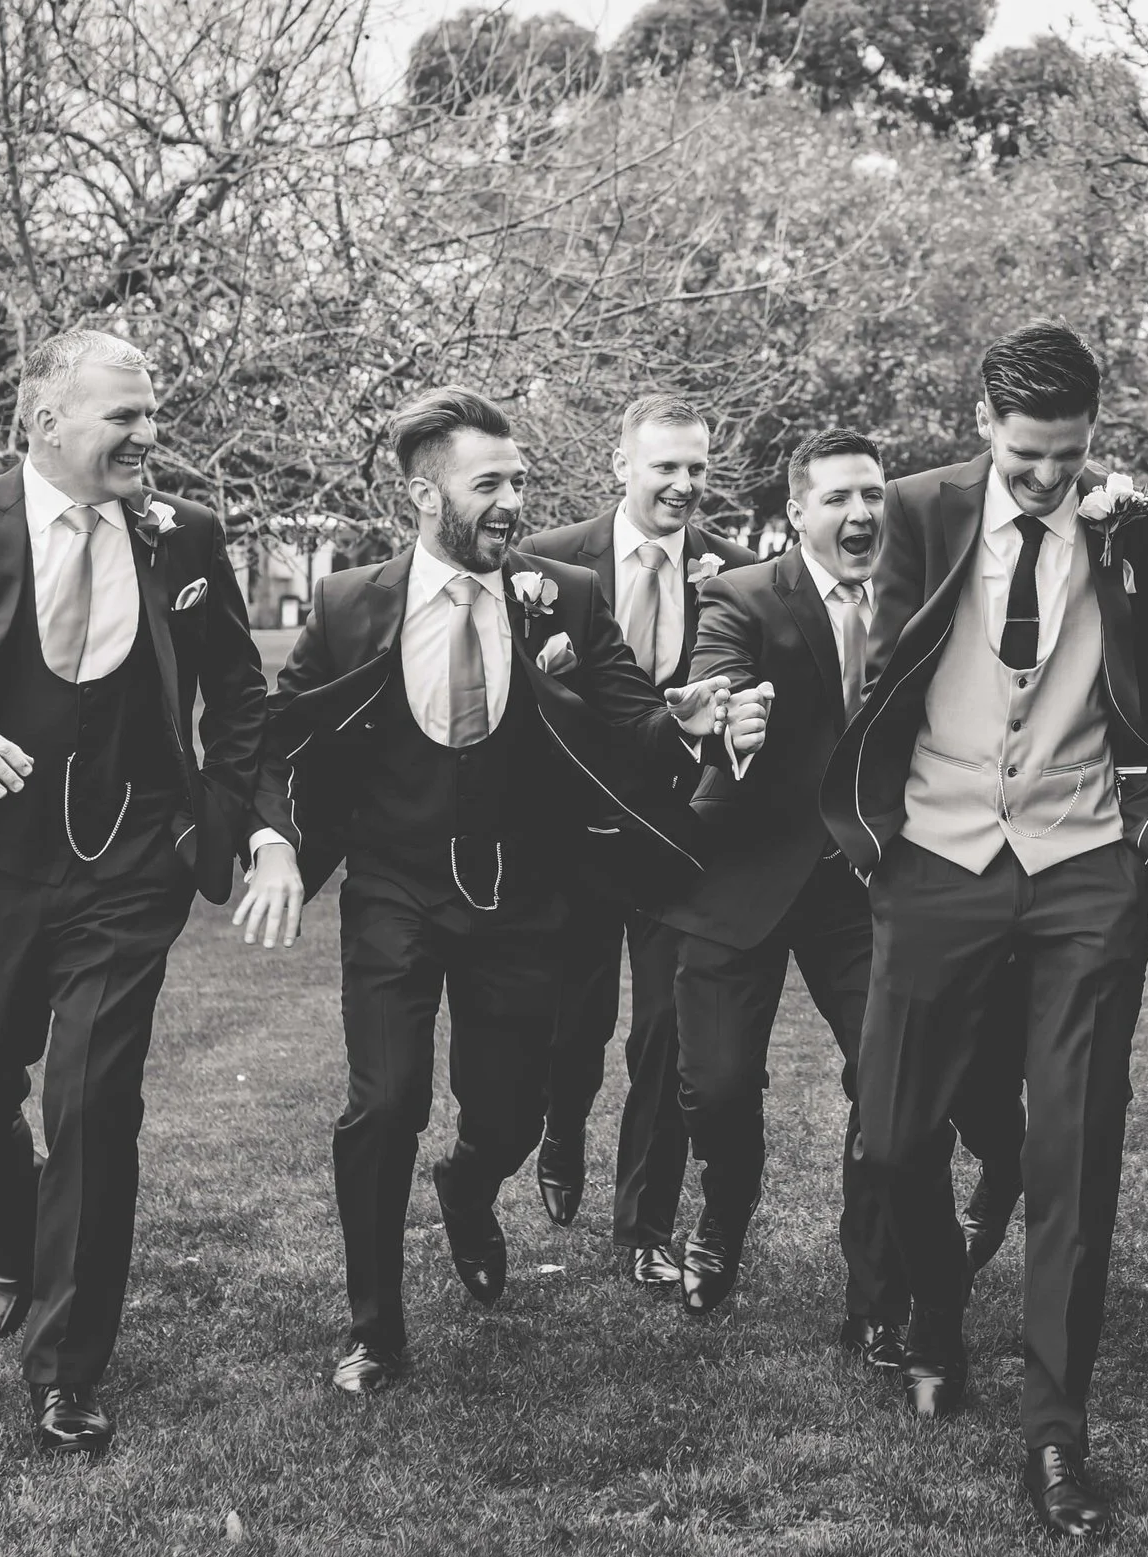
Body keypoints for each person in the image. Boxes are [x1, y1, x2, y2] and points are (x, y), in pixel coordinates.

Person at [232, 388, 763, 1395]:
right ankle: (374, 1327)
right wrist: (273, 837)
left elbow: (628, 733)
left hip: (524, 901)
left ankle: (469, 1186)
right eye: (492, 483)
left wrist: (684, 719)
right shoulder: (351, 605)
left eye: (519, 480)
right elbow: (274, 734)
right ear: (428, 495)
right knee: (383, 1103)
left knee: (513, 1114)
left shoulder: (561, 595)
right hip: (395, 891)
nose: (515, 499)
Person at [0, 329, 266, 1457]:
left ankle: (66, 1369)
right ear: (46, 422)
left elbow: (237, 690)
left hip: (130, 867)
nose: (147, 433)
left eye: (151, 411)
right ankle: (10, 1226)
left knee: (93, 1108)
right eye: (123, 414)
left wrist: (238, 822)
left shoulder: (187, 537)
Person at [823, 323, 1148, 1539]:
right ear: (985, 421)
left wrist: (1147, 841)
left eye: (1070, 455)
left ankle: (1055, 1433)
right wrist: (878, 843)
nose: (1048, 477)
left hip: (1084, 862)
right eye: (1029, 454)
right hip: (938, 854)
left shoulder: (1129, 526)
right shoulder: (923, 513)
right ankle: (937, 1313)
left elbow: (1144, 679)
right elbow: (879, 678)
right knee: (890, 1139)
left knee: (1072, 1156)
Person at [653, 428, 912, 1359]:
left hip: (867, 884)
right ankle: (726, 1205)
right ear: (797, 511)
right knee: (715, 1089)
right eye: (839, 498)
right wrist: (728, 714)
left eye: (874, 496)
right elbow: (713, 678)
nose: (860, 514)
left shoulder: (918, 602)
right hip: (744, 872)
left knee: (886, 1092)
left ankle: (877, 1297)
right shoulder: (741, 595)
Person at [519, 396, 757, 1289]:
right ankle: (560, 1128)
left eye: (697, 468)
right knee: (572, 1024)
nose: (684, 485)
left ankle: (644, 1228)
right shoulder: (545, 564)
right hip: (576, 833)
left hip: (681, 838)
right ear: (622, 466)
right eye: (665, 467)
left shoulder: (735, 574)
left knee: (664, 1031)